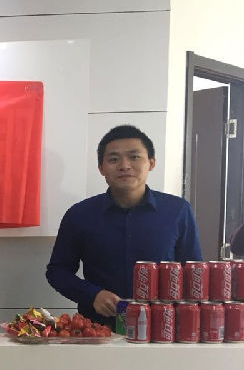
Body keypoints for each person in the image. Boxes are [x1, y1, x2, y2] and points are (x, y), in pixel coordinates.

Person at [46, 125, 202, 327]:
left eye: (134, 157)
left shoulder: (178, 211)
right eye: (113, 159)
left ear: (151, 163)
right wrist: (92, 295)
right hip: (98, 330)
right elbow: (58, 271)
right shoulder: (79, 215)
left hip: (161, 330)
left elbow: (193, 273)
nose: (124, 166)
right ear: (101, 168)